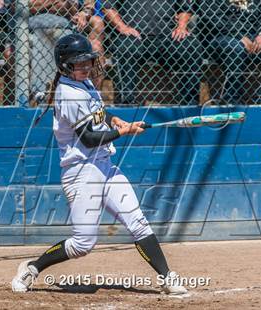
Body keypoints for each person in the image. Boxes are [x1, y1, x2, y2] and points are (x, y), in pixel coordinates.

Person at [11, 33, 188, 296]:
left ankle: (167, 277)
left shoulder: (85, 84)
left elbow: (97, 115)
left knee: (137, 221)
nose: (85, 67)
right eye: (78, 63)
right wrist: (125, 132)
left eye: (87, 62)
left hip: (104, 165)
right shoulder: (67, 93)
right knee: (83, 243)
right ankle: (33, 268)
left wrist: (115, 119)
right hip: (81, 172)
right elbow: (89, 138)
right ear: (64, 65)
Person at [103, 0, 203, 105]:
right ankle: (126, 102)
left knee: (191, 46)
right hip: (133, 36)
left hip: (166, 36)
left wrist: (181, 27)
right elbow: (107, 6)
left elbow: (185, 8)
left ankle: (189, 102)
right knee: (125, 48)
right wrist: (122, 27)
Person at [197, 0, 261, 104]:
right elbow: (212, 18)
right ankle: (231, 99)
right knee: (236, 48)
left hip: (252, 35)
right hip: (220, 36)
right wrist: (237, 35)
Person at [28, 0, 95, 98]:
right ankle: (43, 93)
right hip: (36, 21)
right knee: (48, 26)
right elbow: (30, 6)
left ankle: (72, 91)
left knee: (69, 38)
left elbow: (87, 6)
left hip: (68, 23)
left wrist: (84, 13)